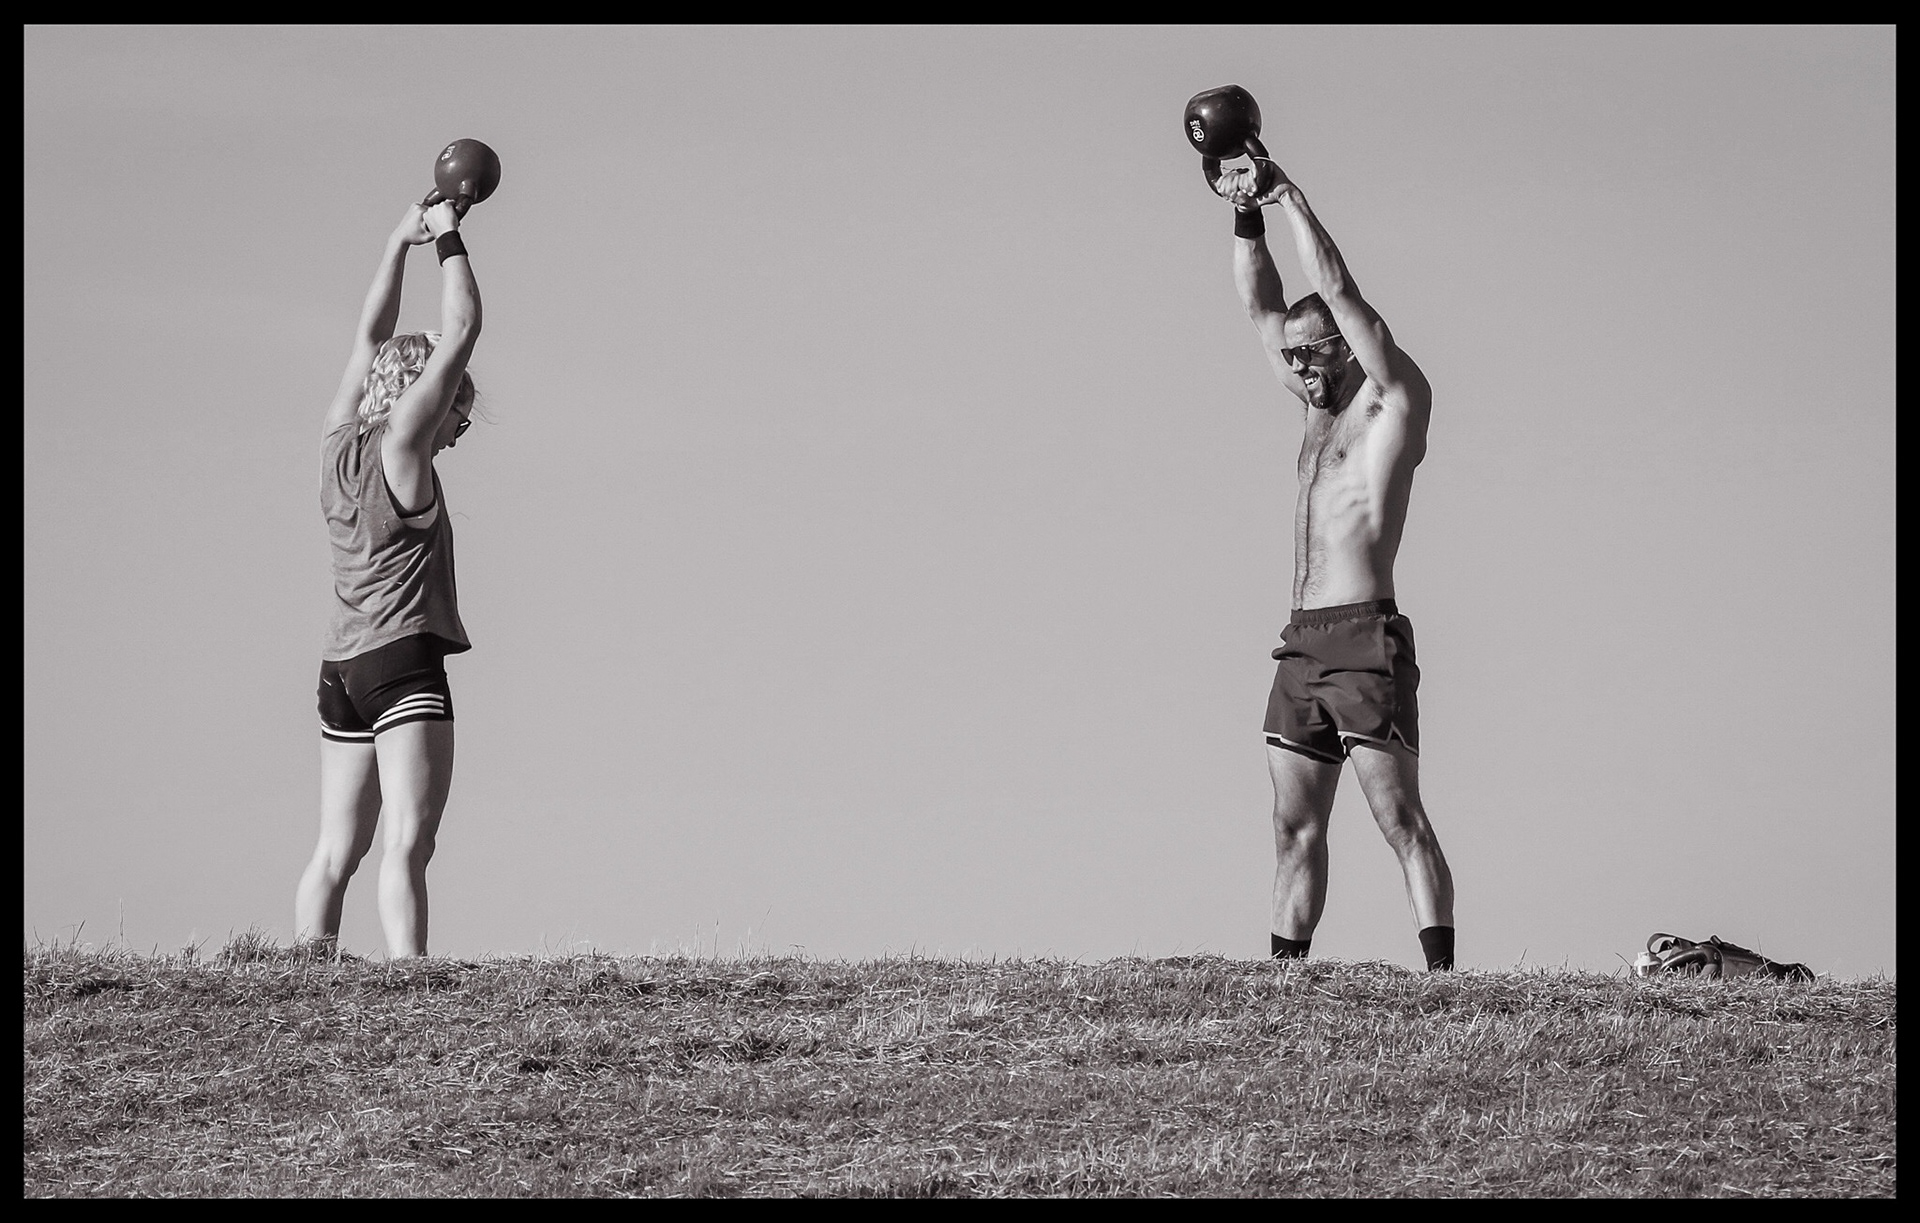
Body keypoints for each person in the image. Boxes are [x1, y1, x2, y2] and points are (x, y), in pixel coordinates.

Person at [1215, 159, 1455, 970]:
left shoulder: (1392, 400)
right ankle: (1286, 979)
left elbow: (1344, 293)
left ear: (1344, 348)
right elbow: (1258, 307)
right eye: (1293, 360)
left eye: (1311, 356)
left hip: (1364, 637)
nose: (1299, 370)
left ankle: (1443, 982)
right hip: (1303, 643)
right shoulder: (1313, 405)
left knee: (1399, 820)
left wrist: (1288, 197)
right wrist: (1246, 216)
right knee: (1292, 825)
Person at [294, 199, 482, 958]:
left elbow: (371, 338)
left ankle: (303, 978)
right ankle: (411, 985)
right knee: (409, 840)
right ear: (424, 400)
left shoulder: (338, 443)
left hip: (341, 668)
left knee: (335, 850)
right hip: (404, 663)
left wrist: (393, 243)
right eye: (455, 411)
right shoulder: (405, 446)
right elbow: (463, 329)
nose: (458, 426)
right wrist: (446, 239)